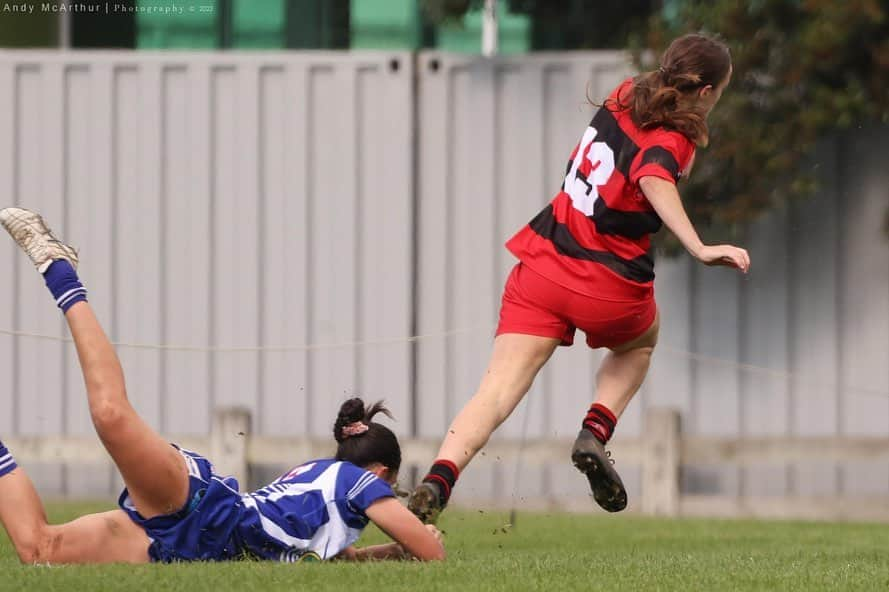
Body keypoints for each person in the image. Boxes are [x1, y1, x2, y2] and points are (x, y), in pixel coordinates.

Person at [408, 33, 750, 522]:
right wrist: (699, 246)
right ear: (704, 92)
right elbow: (653, 175)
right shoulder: (673, 140)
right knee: (640, 344)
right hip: (608, 286)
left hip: (543, 264)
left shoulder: (627, 92)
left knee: (496, 391)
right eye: (720, 92)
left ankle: (438, 480)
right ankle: (595, 430)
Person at [0, 207, 444, 564]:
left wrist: (386, 552)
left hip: (179, 549)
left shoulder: (322, 485)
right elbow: (432, 555)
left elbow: (330, 558)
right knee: (111, 416)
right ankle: (58, 267)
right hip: (196, 510)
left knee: (40, 550)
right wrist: (423, 536)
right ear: (382, 473)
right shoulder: (355, 482)